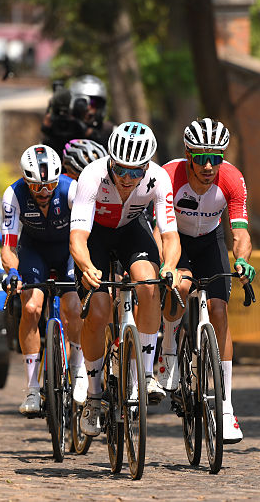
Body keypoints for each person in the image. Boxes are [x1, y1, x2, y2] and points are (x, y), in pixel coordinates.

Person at [70, 121, 179, 437]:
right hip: (97, 238)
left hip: (133, 232)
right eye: (121, 170)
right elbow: (77, 237)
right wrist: (88, 267)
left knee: (149, 284)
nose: (128, 178)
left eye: (136, 172)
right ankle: (93, 394)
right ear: (110, 162)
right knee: (99, 313)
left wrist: (169, 265)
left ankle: (144, 376)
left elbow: (170, 236)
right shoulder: (92, 176)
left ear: (147, 166)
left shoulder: (158, 178)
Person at [157, 118, 254, 444]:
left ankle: (225, 407)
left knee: (220, 310)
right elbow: (160, 231)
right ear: (188, 155)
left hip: (210, 242)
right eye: (201, 158)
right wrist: (167, 266)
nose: (210, 165)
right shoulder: (169, 177)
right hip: (176, 241)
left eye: (216, 157)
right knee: (181, 287)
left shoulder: (232, 178)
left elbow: (239, 233)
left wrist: (241, 261)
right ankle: (168, 349)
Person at [0, 145, 85, 415]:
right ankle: (32, 389)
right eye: (36, 187)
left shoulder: (71, 189)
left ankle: (79, 370)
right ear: (26, 180)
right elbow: (9, 246)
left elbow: (86, 234)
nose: (44, 192)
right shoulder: (13, 194)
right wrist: (13, 273)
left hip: (68, 250)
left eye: (49, 185)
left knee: (73, 308)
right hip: (34, 251)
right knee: (30, 308)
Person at [40, 75, 113, 155]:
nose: (88, 107)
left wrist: (88, 133)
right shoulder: (64, 127)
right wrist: (49, 129)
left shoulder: (108, 130)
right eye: (82, 102)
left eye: (93, 103)